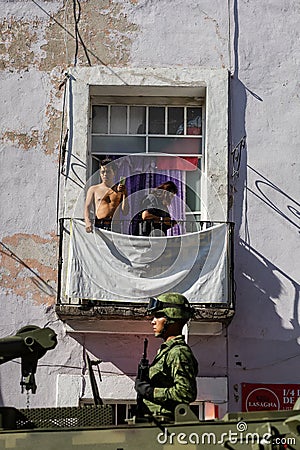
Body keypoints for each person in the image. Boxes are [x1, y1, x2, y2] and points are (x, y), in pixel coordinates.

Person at [135, 292, 198, 421]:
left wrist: (151, 392)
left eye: (158, 316)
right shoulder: (166, 351)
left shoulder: (178, 352)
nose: (153, 322)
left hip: (165, 426)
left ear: (172, 318)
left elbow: (186, 392)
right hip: (153, 422)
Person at [84, 159, 129, 232]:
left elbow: (125, 212)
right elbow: (87, 207)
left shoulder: (119, 190)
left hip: (115, 226)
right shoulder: (94, 189)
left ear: (114, 172)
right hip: (99, 226)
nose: (105, 175)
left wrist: (124, 194)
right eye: (102, 172)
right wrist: (87, 221)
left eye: (108, 172)